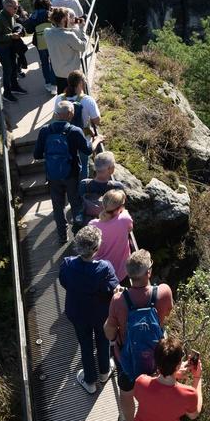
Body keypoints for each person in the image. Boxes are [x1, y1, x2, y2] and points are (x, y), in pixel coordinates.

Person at [105, 249, 175, 421]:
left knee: (127, 393)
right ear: (148, 272)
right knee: (156, 390)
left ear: (129, 274)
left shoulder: (118, 300)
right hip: (156, 357)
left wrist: (118, 298)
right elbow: (167, 313)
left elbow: (109, 332)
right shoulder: (164, 292)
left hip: (127, 358)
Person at [58, 225, 118, 395]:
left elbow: (64, 282)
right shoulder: (105, 268)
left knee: (85, 344)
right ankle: (104, 372)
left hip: (77, 312)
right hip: (100, 314)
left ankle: (90, 381)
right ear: (96, 248)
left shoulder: (67, 264)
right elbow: (112, 290)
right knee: (103, 340)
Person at [33, 101, 92, 241]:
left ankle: (62, 235)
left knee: (58, 206)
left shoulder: (45, 131)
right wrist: (96, 141)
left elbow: (37, 155)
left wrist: (53, 156)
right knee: (75, 204)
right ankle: (80, 234)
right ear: (71, 114)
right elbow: (87, 150)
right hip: (72, 174)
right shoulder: (75, 131)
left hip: (53, 175)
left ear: (56, 114)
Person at [130, 337, 203, 421]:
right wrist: (197, 378)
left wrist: (173, 372)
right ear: (178, 365)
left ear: (156, 360)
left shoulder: (141, 382)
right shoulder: (188, 394)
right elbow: (194, 414)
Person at [87, 170, 135, 283]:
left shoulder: (92, 225)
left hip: (100, 273)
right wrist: (123, 211)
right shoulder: (124, 219)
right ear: (120, 207)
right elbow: (130, 228)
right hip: (121, 272)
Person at [56, 69, 101, 158]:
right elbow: (97, 121)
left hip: (64, 139)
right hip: (83, 139)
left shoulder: (59, 99)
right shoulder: (87, 100)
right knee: (83, 163)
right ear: (81, 83)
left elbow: (56, 116)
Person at [0, 0, 27, 101]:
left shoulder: (10, 15)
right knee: (7, 70)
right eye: (15, 8)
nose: (17, 9)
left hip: (10, 46)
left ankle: (14, 87)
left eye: (17, 7)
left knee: (14, 67)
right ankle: (6, 93)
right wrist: (11, 36)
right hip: (2, 48)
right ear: (7, 7)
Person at [43, 9, 87, 93]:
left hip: (58, 72)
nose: (71, 19)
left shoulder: (47, 32)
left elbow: (59, 32)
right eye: (69, 17)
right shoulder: (69, 35)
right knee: (74, 95)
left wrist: (69, 26)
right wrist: (82, 28)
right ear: (64, 19)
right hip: (72, 74)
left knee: (62, 94)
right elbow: (83, 47)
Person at [25, 0, 56, 93]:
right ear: (47, 3)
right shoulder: (51, 13)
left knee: (44, 62)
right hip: (52, 41)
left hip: (40, 42)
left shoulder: (34, 15)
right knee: (54, 62)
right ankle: (54, 84)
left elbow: (29, 30)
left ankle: (48, 83)